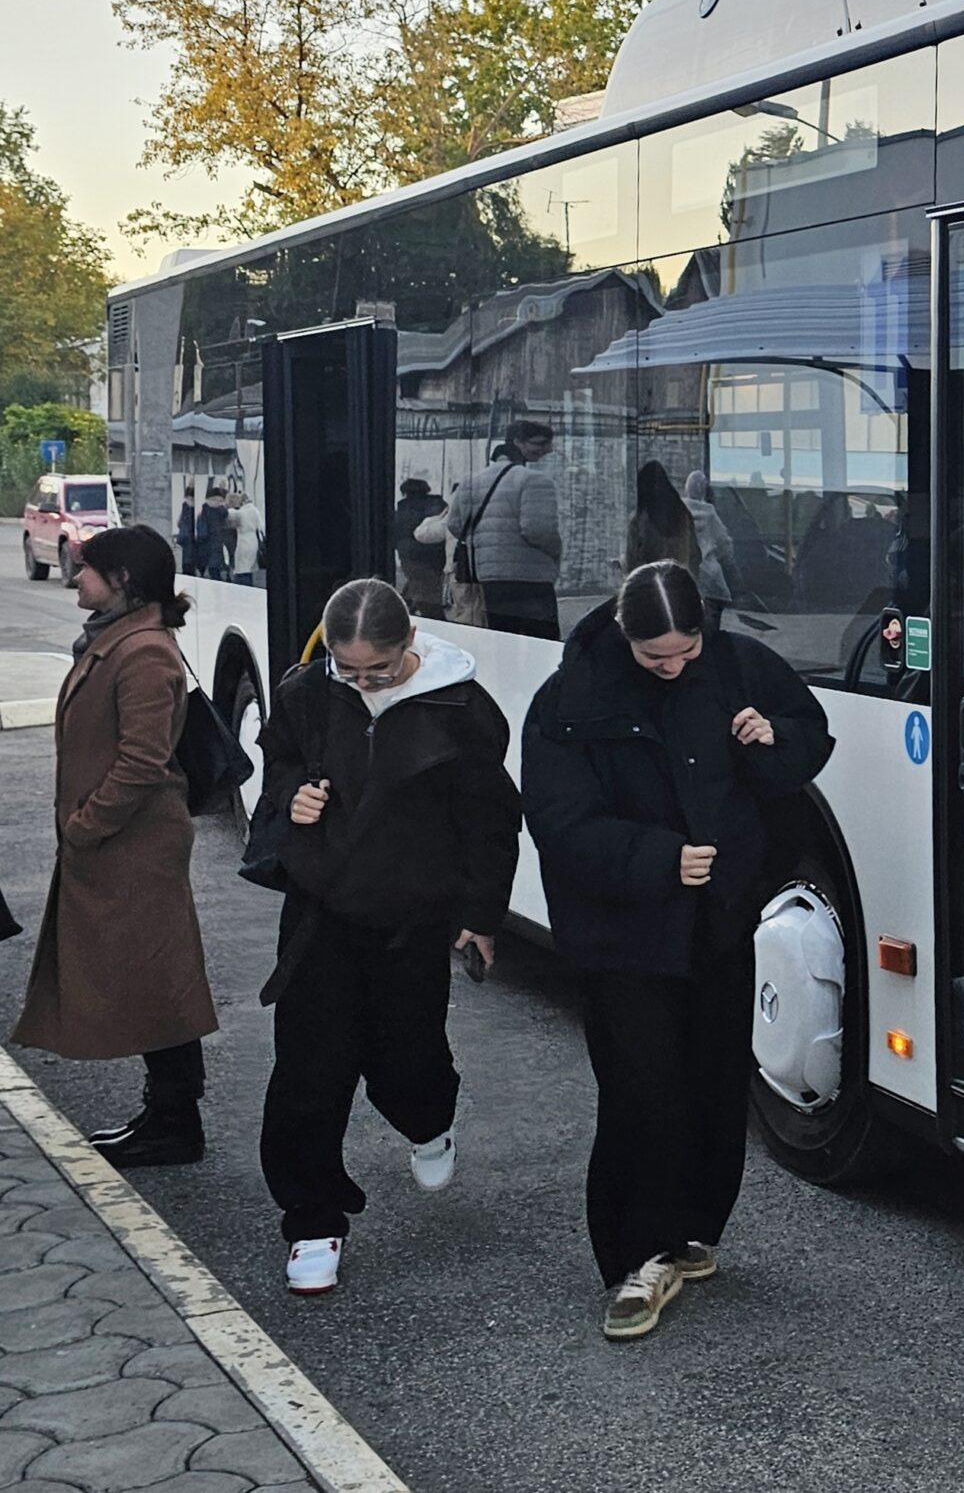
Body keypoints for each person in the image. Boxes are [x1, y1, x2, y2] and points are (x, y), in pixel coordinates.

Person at [521, 561, 833, 1340]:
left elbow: (806, 744)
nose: (671, 666)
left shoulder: (739, 664)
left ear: (703, 630)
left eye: (685, 651)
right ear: (622, 633)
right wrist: (660, 858)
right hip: (621, 931)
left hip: (719, 919)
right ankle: (636, 1257)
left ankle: (692, 1229)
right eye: (654, 655)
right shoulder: (571, 696)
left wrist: (772, 738)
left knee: (714, 1081)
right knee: (640, 1089)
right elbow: (558, 818)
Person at [248, 578, 520, 1295]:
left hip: (413, 918)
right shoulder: (307, 692)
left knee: (407, 1057)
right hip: (320, 911)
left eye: (379, 669)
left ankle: (429, 1120)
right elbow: (277, 760)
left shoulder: (461, 708)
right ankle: (312, 1219)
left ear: (410, 643)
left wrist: (482, 916)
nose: (363, 682)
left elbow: (491, 822)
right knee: (309, 1067)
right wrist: (292, 795)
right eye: (349, 669)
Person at [12, 527, 218, 1167]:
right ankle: (166, 1115)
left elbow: (142, 760)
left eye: (87, 568)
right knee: (151, 981)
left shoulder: (143, 652)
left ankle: (175, 1122)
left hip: (134, 846)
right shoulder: (119, 640)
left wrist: (86, 824)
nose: (77, 578)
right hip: (120, 845)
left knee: (160, 983)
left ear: (122, 579)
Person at [446, 421, 562, 639]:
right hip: (531, 577)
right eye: (539, 443)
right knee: (542, 643)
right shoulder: (535, 480)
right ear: (517, 442)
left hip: (488, 577)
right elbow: (538, 531)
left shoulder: (471, 481)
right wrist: (557, 552)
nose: (547, 450)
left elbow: (454, 525)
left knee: (503, 639)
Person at [624, 461, 700, 579]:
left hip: (652, 584)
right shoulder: (683, 515)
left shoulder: (639, 520)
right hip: (681, 582)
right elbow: (695, 555)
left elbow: (633, 562)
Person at [682, 471, 738, 611]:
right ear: (704, 491)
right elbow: (724, 544)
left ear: (686, 488)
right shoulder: (710, 513)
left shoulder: (676, 511)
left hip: (682, 573)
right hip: (709, 576)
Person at [392, 479, 448, 618]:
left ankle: (434, 622)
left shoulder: (401, 511)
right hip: (436, 559)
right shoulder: (439, 506)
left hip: (410, 558)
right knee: (425, 590)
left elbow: (393, 536)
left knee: (425, 598)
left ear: (405, 492)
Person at [229, 484, 264, 587]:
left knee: (242, 567)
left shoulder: (241, 512)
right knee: (250, 566)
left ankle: (243, 585)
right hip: (253, 541)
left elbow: (229, 514)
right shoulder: (255, 511)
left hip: (243, 540)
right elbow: (261, 527)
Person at [196, 487, 232, 581]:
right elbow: (227, 518)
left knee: (207, 565)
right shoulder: (221, 510)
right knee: (215, 567)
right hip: (216, 540)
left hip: (204, 541)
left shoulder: (204, 509)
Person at [176, 485, 200, 577]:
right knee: (190, 564)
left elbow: (179, 523)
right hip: (190, 540)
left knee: (186, 564)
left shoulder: (185, 507)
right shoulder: (191, 509)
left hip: (185, 540)